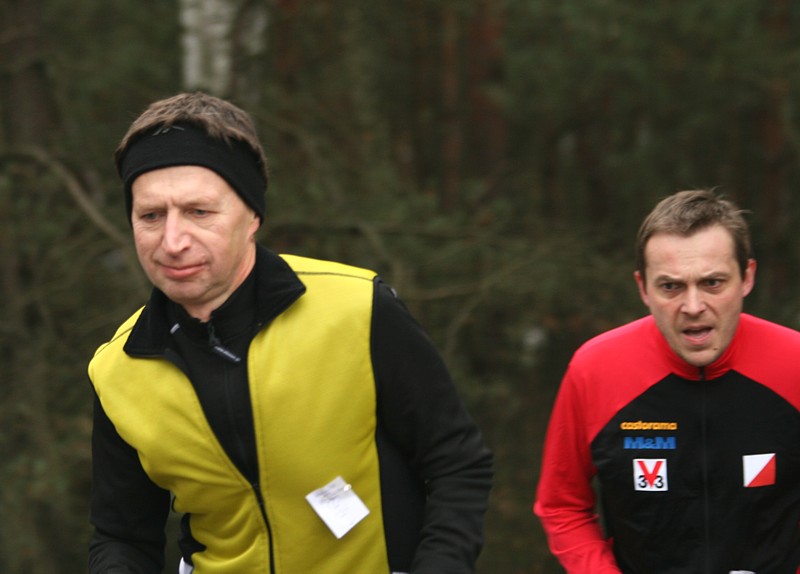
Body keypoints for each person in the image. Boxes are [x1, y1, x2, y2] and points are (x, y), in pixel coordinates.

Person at [87, 92, 493, 574]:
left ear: (252, 215)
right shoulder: (117, 370)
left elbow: (456, 464)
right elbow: (121, 537)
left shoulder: (359, 309)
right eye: (151, 215)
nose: (173, 242)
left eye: (199, 212)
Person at [534, 189, 800, 573]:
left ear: (747, 277)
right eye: (671, 287)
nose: (693, 307)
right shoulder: (594, 369)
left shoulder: (794, 363)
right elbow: (562, 505)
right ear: (643, 288)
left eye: (712, 283)